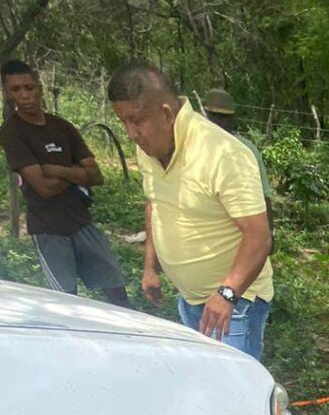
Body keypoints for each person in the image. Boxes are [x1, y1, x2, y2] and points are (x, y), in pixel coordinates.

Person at [107, 62, 273, 360]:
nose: (131, 133)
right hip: (192, 299)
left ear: (167, 113)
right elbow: (156, 205)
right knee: (207, 382)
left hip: (235, 304)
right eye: (123, 122)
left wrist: (226, 294)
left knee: (234, 390)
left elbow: (259, 237)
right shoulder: (148, 148)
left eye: (137, 120)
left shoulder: (223, 153)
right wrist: (150, 267)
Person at [0, 60, 130, 308]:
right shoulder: (12, 132)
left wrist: (55, 170)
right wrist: (77, 173)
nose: (25, 95)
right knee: (67, 303)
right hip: (49, 229)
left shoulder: (62, 126)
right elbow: (44, 189)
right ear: (7, 93)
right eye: (16, 90)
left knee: (117, 293)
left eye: (29, 87)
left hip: (81, 221)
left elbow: (97, 175)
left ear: (39, 87)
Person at [202, 88, 274, 246]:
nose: (219, 123)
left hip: (240, 234)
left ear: (233, 118)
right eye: (214, 117)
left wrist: (269, 234)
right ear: (204, 117)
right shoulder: (194, 149)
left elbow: (264, 195)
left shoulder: (247, 149)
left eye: (224, 117)